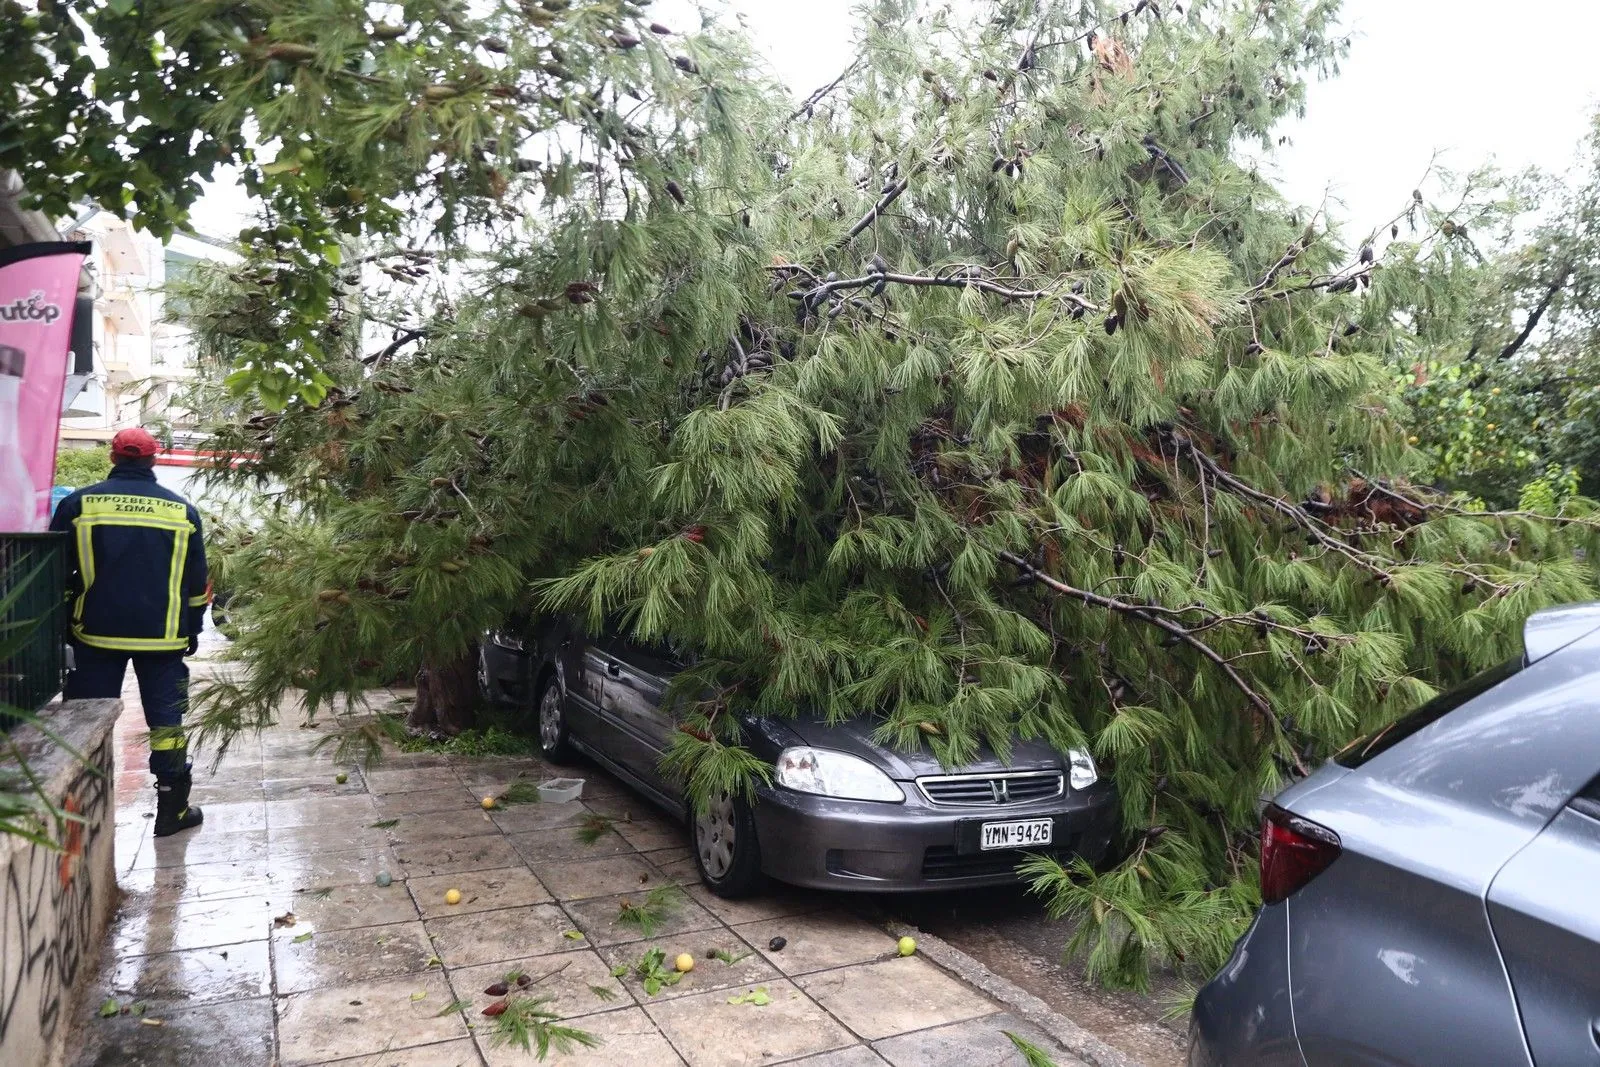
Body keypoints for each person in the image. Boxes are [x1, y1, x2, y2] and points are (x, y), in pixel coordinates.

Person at [50, 427, 210, 837]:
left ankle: (82, 807)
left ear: (114, 458)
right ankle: (171, 809)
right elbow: (196, 584)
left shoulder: (79, 504)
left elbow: (53, 571)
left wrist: (65, 622)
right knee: (167, 723)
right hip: (163, 636)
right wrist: (191, 631)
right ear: (153, 461)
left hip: (96, 634)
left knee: (86, 717)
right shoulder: (181, 512)